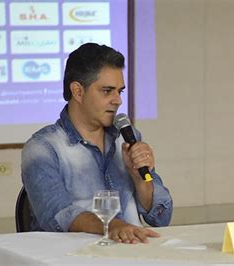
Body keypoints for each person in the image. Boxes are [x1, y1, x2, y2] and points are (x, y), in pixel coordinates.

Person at [21, 43, 173, 244]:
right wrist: (113, 226)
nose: (117, 100)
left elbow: (161, 217)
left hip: (133, 254)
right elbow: (57, 214)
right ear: (77, 91)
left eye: (120, 91)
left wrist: (140, 179)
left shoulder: (126, 137)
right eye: (107, 91)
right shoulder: (42, 148)